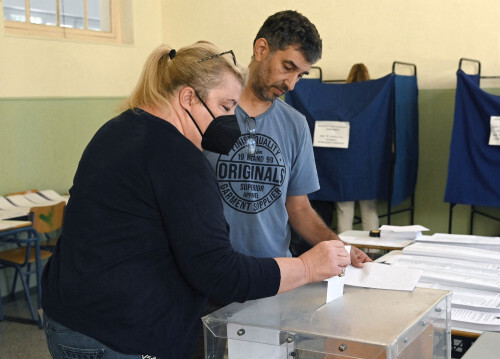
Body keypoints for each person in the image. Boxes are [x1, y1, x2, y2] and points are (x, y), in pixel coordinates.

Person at [41, 41, 351, 359]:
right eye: (226, 106)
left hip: (69, 320)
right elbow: (218, 273)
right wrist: (307, 266)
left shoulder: (117, 129)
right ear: (188, 97)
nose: (232, 120)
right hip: (122, 334)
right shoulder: (179, 157)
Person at [203, 10, 373, 264]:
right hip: (213, 273)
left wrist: (340, 247)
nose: (292, 84)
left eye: (301, 74)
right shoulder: (208, 112)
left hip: (276, 275)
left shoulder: (296, 124)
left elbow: (299, 207)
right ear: (261, 49)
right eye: (288, 67)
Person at [335, 63, 380, 234]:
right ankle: (374, 250)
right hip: (368, 161)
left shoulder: (340, 99)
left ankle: (343, 253)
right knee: (369, 209)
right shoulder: (374, 99)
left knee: (344, 209)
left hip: (344, 162)